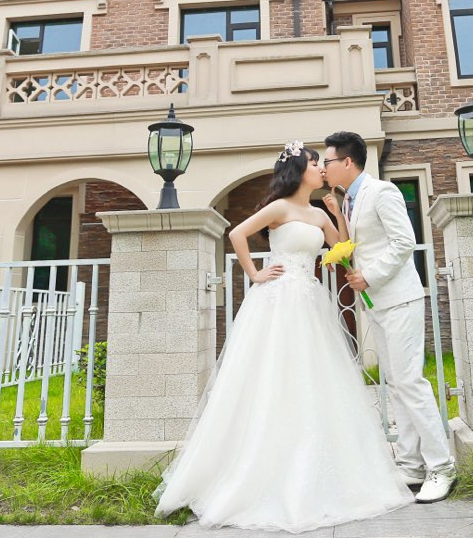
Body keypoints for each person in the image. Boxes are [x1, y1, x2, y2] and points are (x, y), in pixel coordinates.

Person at [154, 141, 413, 533]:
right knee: (272, 377)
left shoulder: (318, 213)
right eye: (314, 163)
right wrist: (255, 274)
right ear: (298, 171)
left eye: (322, 162)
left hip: (309, 302)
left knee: (312, 380)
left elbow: (342, 248)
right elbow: (238, 234)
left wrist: (335, 214)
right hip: (276, 301)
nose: (321, 168)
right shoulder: (279, 208)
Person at [321, 130, 457, 503]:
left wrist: (370, 275)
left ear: (347, 161)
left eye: (327, 162)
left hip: (399, 299)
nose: (324, 168)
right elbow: (358, 245)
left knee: (410, 382)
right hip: (379, 305)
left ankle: (442, 466)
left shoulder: (382, 192)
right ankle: (411, 464)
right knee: (395, 383)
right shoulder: (349, 199)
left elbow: (403, 242)